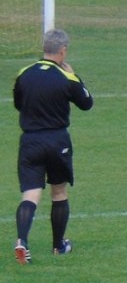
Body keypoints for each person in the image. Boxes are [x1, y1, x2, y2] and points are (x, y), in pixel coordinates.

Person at [13, 29, 93, 264]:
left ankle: (22, 241)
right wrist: (75, 76)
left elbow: (19, 104)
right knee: (58, 193)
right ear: (63, 50)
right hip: (57, 141)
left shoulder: (24, 74)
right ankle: (58, 246)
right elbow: (87, 103)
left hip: (30, 141)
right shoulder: (65, 77)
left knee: (30, 194)